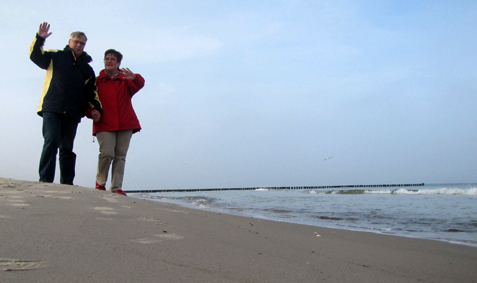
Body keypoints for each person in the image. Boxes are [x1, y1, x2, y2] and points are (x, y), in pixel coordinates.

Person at [30, 22, 102, 185]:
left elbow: (92, 92)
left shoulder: (87, 69)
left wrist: (95, 109)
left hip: (72, 112)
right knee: (51, 141)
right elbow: (36, 57)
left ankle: (67, 182)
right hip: (52, 108)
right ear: (69, 42)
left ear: (85, 45)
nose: (78, 45)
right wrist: (40, 39)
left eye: (82, 43)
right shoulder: (55, 56)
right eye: (76, 41)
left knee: (67, 148)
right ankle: (45, 179)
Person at [87, 49, 145, 196]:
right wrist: (90, 113)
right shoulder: (96, 81)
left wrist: (135, 78)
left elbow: (140, 83)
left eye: (113, 59)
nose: (109, 61)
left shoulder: (126, 80)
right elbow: (88, 101)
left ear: (119, 63)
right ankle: (100, 183)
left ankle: (116, 187)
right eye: (107, 58)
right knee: (106, 153)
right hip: (104, 123)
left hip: (125, 123)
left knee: (120, 156)